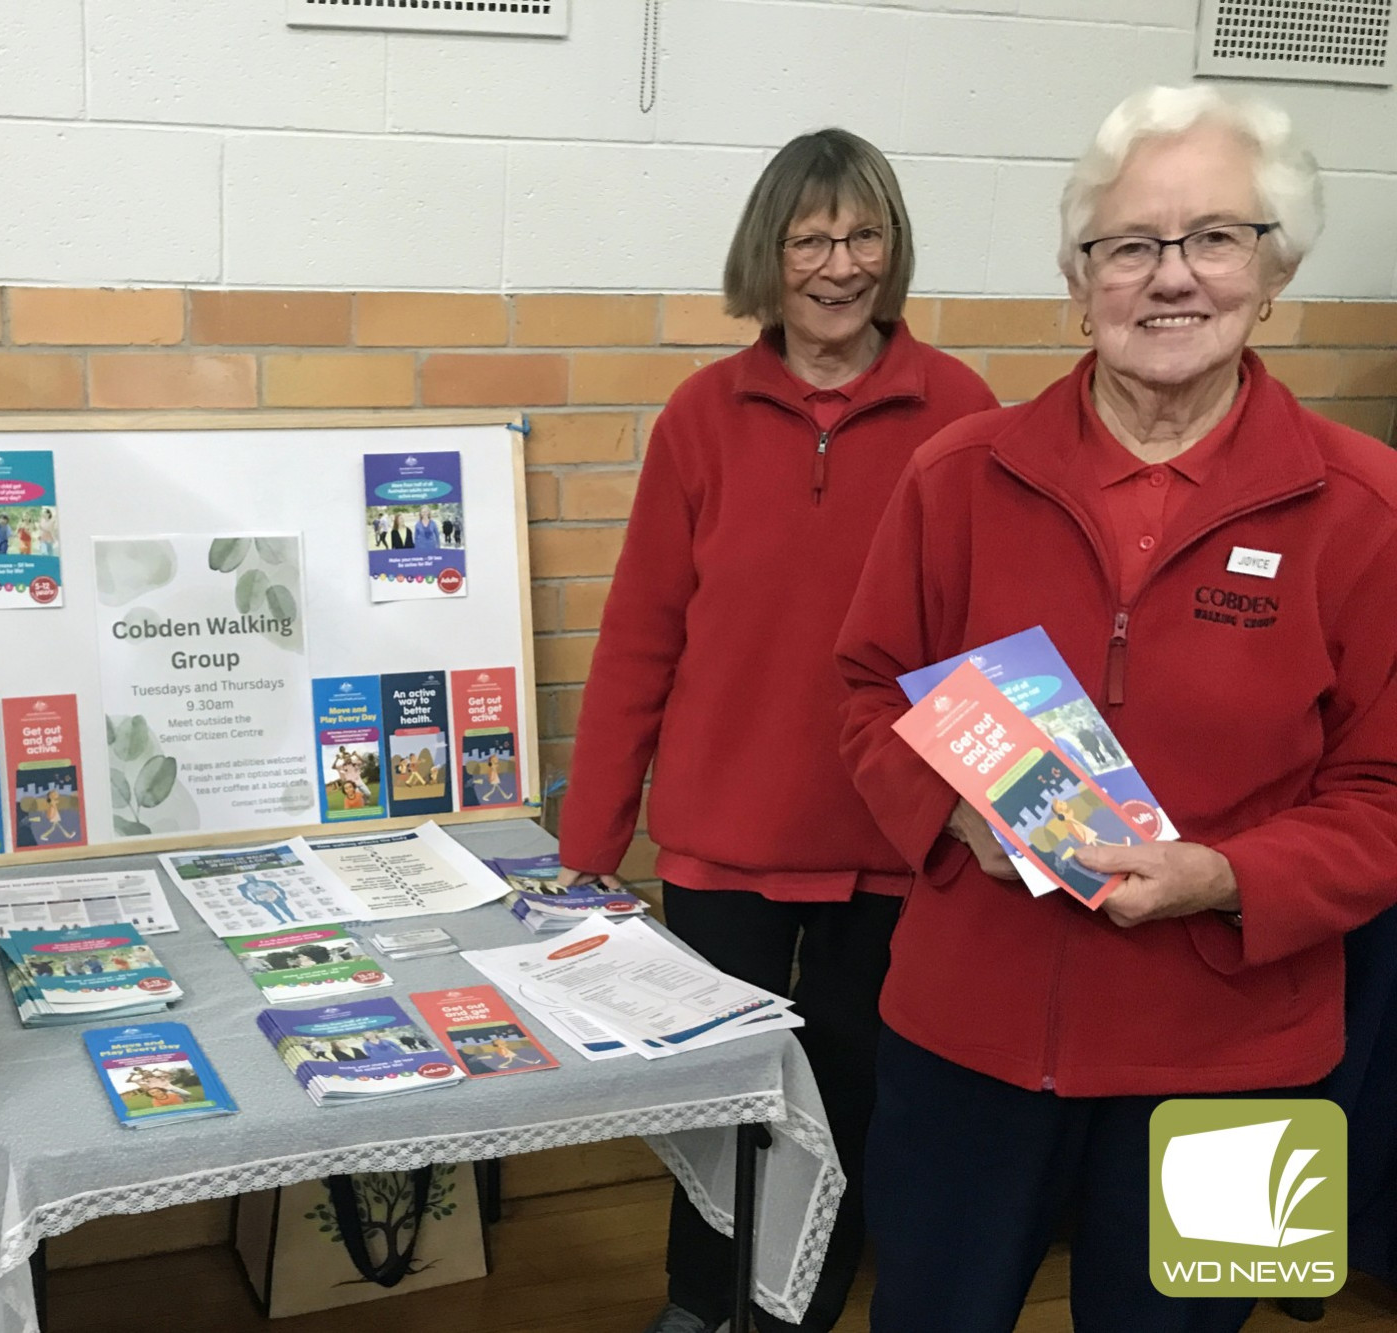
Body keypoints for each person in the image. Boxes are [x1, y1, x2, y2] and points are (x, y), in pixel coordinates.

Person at [835, 85, 1397, 1332]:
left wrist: (1227, 875)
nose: (1169, 278)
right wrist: (949, 816)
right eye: (1127, 245)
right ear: (1078, 279)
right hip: (963, 1036)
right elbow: (867, 691)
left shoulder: (1368, 509)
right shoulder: (959, 477)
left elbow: (1383, 797)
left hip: (1250, 1057)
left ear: (1272, 268)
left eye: (1213, 237)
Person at [558, 127, 997, 1333]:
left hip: (888, 836)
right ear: (769, 252)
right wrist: (589, 839)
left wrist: (997, 812)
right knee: (717, 1094)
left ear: (891, 249)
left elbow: (987, 637)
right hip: (721, 839)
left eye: (862, 235)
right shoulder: (700, 415)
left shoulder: (959, 412)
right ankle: (700, 1304)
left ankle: (795, 1310)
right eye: (809, 238)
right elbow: (642, 634)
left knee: (850, 1096)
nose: (837, 264)